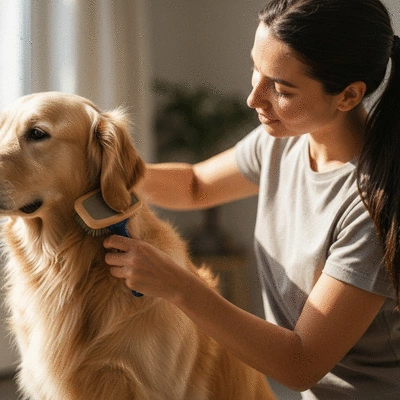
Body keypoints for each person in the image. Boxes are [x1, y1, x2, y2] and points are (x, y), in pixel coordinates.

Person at [103, 0, 400, 398]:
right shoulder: (283, 143)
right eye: (256, 70)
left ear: (348, 95)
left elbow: (299, 364)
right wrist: (109, 168)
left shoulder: (374, 207)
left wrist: (180, 286)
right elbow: (195, 185)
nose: (253, 98)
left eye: (279, 88)